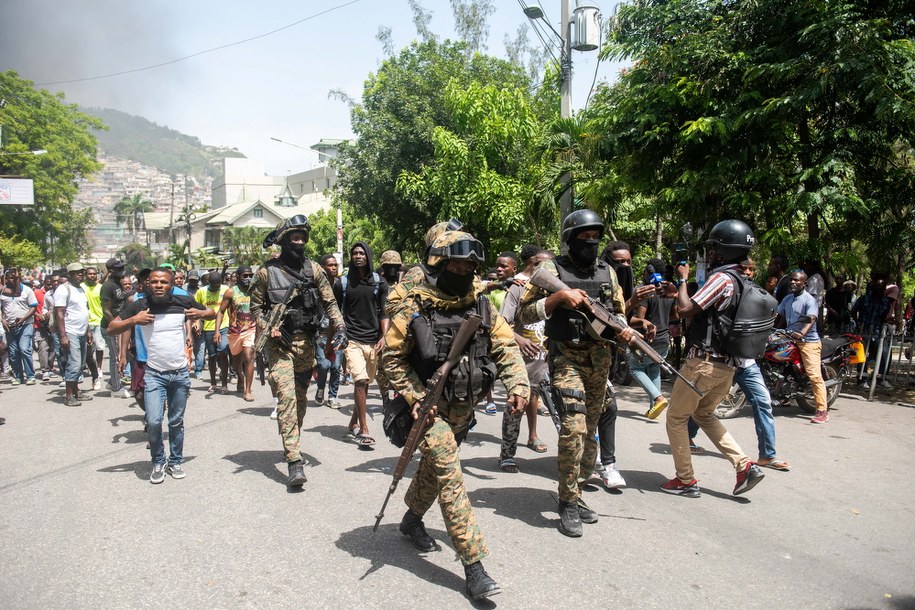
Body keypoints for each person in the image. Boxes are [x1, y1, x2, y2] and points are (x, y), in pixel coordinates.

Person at [381, 230, 529, 601]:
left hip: (464, 407)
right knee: (450, 477)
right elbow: (390, 359)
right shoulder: (416, 304)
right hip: (428, 411)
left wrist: (518, 386)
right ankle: (474, 567)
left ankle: (412, 519)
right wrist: (415, 395)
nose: (464, 270)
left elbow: (505, 346)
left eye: (470, 265)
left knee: (434, 471)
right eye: (456, 263)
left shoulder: (479, 303)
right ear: (439, 263)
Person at [517, 210, 635, 537]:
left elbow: (618, 315)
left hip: (600, 359)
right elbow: (524, 312)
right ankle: (567, 500)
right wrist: (558, 297)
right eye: (583, 237)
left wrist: (626, 331)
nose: (591, 242)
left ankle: (578, 489)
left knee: (591, 429)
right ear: (570, 239)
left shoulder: (607, 273)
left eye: (595, 237)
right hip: (566, 355)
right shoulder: (550, 270)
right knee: (573, 426)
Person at [661, 220, 768, 498]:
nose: (711, 254)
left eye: (714, 248)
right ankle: (745, 465)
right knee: (703, 414)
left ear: (723, 250)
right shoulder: (744, 281)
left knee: (675, 418)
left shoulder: (721, 279)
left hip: (703, 364)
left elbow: (685, 309)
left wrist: (683, 279)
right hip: (728, 367)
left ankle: (686, 480)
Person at [250, 215, 346, 488]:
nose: (300, 241)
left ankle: (291, 438)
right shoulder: (266, 272)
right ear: (283, 240)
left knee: (300, 403)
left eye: (303, 237)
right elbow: (254, 308)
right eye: (295, 237)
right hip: (279, 345)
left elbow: (330, 303)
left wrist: (339, 327)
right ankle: (294, 461)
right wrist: (269, 326)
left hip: (306, 343)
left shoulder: (314, 269)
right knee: (287, 399)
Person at [107, 268, 214, 483]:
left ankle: (175, 461)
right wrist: (133, 320)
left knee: (176, 422)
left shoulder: (183, 300)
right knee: (154, 421)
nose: (158, 285)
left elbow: (211, 312)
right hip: (154, 374)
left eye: (163, 282)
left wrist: (200, 315)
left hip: (180, 374)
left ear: (171, 283)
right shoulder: (140, 305)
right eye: (154, 282)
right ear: (147, 284)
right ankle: (158, 461)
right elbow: (111, 327)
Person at [597, 241, 657, 489]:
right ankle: (596, 461)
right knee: (597, 411)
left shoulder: (625, 283)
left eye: (628, 261)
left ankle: (607, 464)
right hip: (582, 355)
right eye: (619, 261)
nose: (625, 266)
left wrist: (640, 325)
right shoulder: (599, 277)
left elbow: (621, 319)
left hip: (609, 358)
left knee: (607, 409)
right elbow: (602, 318)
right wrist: (630, 303)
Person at [497, 246, 550, 473]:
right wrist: (519, 339)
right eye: (539, 265)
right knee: (516, 405)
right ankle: (507, 454)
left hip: (550, 362)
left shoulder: (559, 292)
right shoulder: (519, 290)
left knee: (564, 410)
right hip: (522, 362)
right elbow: (501, 324)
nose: (545, 270)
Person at [334, 242, 389, 446]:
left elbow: (384, 312)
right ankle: (364, 430)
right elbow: (335, 311)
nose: (358, 256)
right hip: (352, 340)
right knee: (360, 381)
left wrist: (384, 336)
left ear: (368, 256)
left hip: (373, 340)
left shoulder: (379, 283)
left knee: (365, 383)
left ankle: (353, 423)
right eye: (354, 253)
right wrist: (332, 341)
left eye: (362, 253)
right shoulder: (342, 283)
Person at [778, 270, 830, 423]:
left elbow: (811, 319)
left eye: (797, 280)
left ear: (804, 284)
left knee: (814, 375)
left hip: (808, 341)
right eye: (791, 280)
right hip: (789, 338)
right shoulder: (787, 299)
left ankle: (822, 410)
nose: (793, 282)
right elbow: (778, 315)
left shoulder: (809, 300)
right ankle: (783, 395)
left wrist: (801, 333)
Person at [630, 258, 677, 420]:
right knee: (654, 369)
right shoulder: (669, 291)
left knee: (635, 368)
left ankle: (658, 398)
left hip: (648, 338)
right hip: (664, 337)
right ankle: (653, 407)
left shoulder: (646, 291)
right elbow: (675, 315)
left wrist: (643, 321)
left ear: (649, 271)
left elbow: (641, 320)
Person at [54, 263, 95, 406]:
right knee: (74, 363)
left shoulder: (80, 289)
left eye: (81, 272)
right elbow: (59, 314)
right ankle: (69, 395)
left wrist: (88, 331)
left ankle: (76, 391)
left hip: (82, 331)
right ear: (69, 274)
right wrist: (63, 335)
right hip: (70, 332)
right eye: (76, 272)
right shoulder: (62, 289)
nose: (80, 274)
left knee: (81, 364)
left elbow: (84, 312)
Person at [216, 265, 257, 401]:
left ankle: (248, 390)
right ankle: (240, 377)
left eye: (250, 275)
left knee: (248, 357)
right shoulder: (231, 292)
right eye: (245, 276)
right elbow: (221, 312)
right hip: (234, 331)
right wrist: (217, 331)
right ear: (238, 277)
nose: (248, 278)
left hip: (251, 329)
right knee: (237, 361)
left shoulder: (256, 291)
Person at [314, 254, 343, 410]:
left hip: (336, 334)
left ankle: (332, 396)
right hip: (320, 334)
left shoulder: (340, 286)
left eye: (335, 265)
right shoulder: (317, 286)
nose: (333, 267)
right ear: (323, 268)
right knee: (324, 365)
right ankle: (320, 389)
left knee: (336, 367)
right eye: (330, 265)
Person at [374, 250, 403, 407]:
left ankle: (399, 397)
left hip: (400, 332)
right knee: (382, 369)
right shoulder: (377, 284)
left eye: (395, 266)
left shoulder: (403, 287)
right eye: (389, 266)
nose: (393, 269)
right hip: (381, 332)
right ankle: (385, 398)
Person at [1, 268, 38, 385]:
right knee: (13, 352)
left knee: (24, 349)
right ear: (5, 279)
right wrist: (2, 319)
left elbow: (33, 307)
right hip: (10, 326)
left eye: (15, 277)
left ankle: (30, 375)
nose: (13, 279)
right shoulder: (2, 292)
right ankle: (18, 376)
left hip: (25, 324)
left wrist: (24, 318)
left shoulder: (27, 290)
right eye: (10, 277)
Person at [195, 271, 231, 393]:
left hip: (224, 326)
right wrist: (197, 324)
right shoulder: (201, 292)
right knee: (212, 356)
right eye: (214, 285)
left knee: (222, 351)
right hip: (208, 328)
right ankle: (213, 382)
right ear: (208, 282)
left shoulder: (226, 289)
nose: (217, 287)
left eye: (218, 285)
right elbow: (197, 308)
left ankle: (225, 384)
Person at [101, 258, 129, 397]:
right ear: (111, 270)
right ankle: (116, 389)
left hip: (120, 325)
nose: (122, 270)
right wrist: (115, 327)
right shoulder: (107, 286)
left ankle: (113, 382)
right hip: (110, 326)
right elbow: (106, 310)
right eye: (119, 268)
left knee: (122, 354)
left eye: (122, 267)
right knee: (115, 357)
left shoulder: (118, 284)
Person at [83, 267, 105, 390]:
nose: (92, 276)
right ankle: (89, 368)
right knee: (88, 350)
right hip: (86, 322)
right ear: (86, 275)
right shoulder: (81, 287)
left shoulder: (100, 288)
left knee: (100, 346)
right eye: (89, 274)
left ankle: (99, 368)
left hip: (99, 320)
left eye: (94, 274)